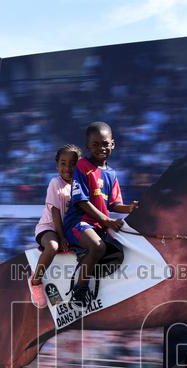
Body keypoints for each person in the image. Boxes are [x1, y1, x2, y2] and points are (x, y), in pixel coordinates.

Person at [62, 121, 139, 306]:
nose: (101, 148)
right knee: (98, 247)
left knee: (120, 251)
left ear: (113, 144)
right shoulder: (82, 166)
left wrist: (129, 208)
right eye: (95, 144)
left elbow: (114, 204)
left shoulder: (111, 173)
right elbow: (81, 200)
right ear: (87, 146)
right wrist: (106, 219)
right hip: (78, 223)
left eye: (105, 144)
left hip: (99, 226)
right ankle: (78, 292)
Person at [28, 144, 79, 308]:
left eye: (73, 164)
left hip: (69, 229)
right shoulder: (55, 183)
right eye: (63, 163)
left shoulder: (79, 185)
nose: (68, 168)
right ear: (57, 165)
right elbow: (56, 213)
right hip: (49, 228)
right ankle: (35, 281)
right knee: (53, 246)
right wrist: (62, 237)